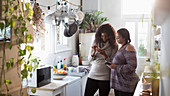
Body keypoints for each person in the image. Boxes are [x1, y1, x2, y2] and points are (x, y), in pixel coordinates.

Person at [84, 23, 118, 96]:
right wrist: (93, 52)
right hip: (93, 74)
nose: (104, 38)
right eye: (102, 36)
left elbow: (111, 62)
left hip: (105, 77)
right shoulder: (95, 42)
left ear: (110, 35)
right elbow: (89, 60)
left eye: (106, 36)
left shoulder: (114, 45)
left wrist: (104, 55)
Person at [107, 28, 139, 96]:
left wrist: (115, 67)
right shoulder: (121, 47)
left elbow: (132, 66)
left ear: (124, 37)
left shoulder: (129, 47)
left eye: (118, 37)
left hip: (126, 85)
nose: (117, 39)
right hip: (120, 85)